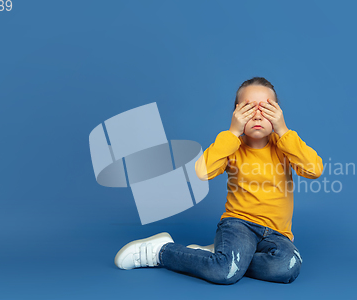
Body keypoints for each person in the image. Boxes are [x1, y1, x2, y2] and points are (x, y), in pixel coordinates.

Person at [114, 77, 324, 285]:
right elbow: (202, 172)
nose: (258, 116)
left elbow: (314, 170)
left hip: (277, 233)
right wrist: (233, 132)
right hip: (239, 225)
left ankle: (222, 256)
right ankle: (161, 252)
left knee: (287, 266)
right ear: (236, 114)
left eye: (266, 109)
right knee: (226, 272)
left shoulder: (285, 146)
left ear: (278, 113)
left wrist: (283, 130)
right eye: (249, 108)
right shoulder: (232, 146)